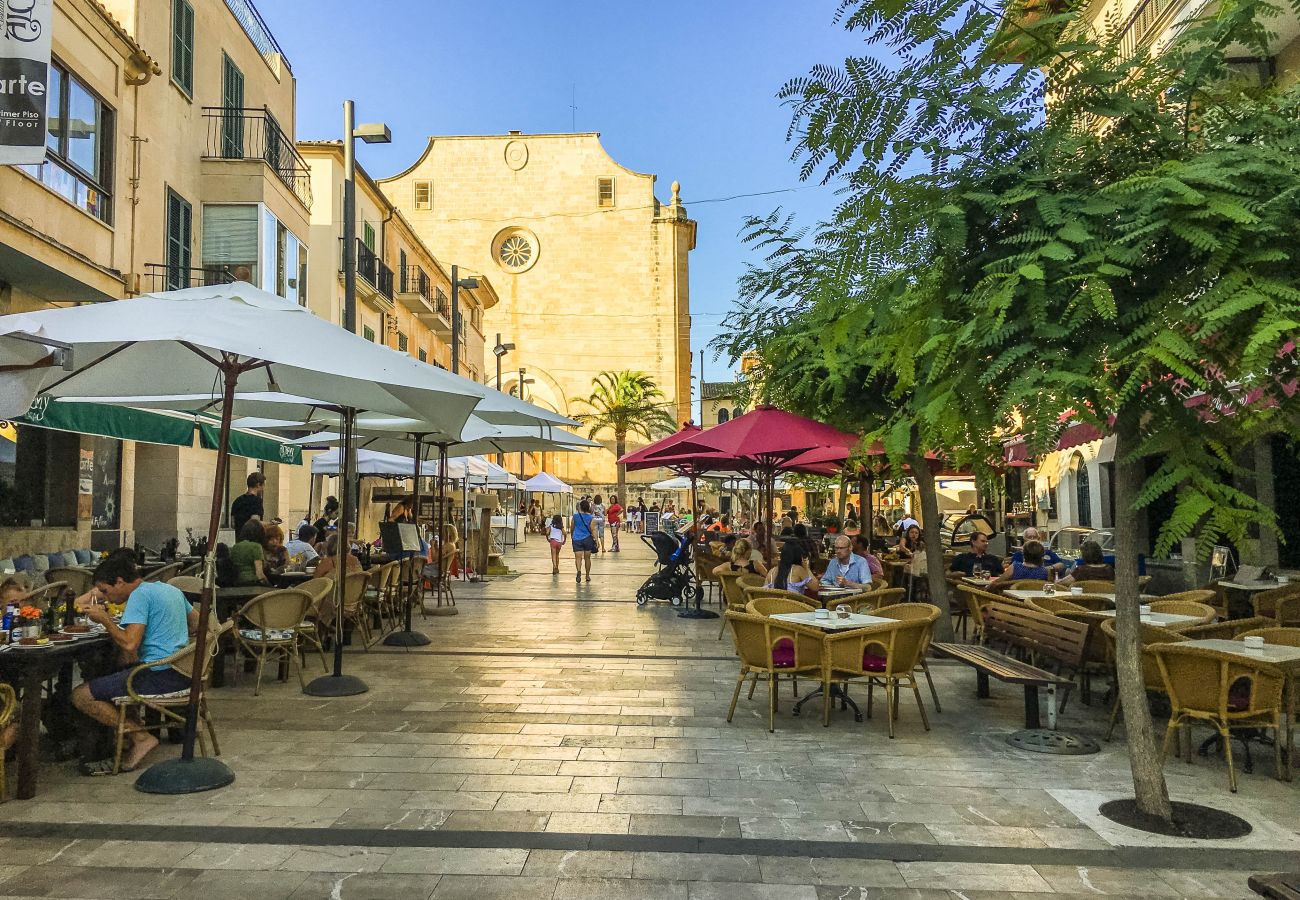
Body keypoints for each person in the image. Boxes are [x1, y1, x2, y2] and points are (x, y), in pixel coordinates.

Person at [71, 552, 197, 774]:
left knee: (81, 694)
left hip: (159, 674)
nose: (105, 597)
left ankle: (140, 737)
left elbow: (129, 643)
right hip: (183, 671)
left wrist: (106, 620)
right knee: (119, 669)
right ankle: (128, 734)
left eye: (105, 591)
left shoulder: (139, 596)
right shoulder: (169, 589)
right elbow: (196, 622)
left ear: (120, 581)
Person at [229, 520, 269, 586]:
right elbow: (259, 574)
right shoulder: (256, 547)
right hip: (252, 582)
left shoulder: (235, 547)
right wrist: (270, 586)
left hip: (237, 582)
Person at [230, 472, 266, 536]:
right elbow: (254, 523)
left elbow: (233, 524)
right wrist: (271, 524)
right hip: (252, 541)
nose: (263, 488)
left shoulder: (237, 500)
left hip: (239, 541)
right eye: (263, 485)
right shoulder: (256, 501)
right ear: (258, 485)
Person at [571, 499, 597, 583]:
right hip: (587, 539)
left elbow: (572, 527)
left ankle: (578, 571)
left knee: (578, 558)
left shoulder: (575, 516)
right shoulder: (591, 518)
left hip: (576, 538)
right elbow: (593, 530)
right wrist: (596, 540)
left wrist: (572, 535)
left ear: (580, 507)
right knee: (587, 558)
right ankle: (587, 575)